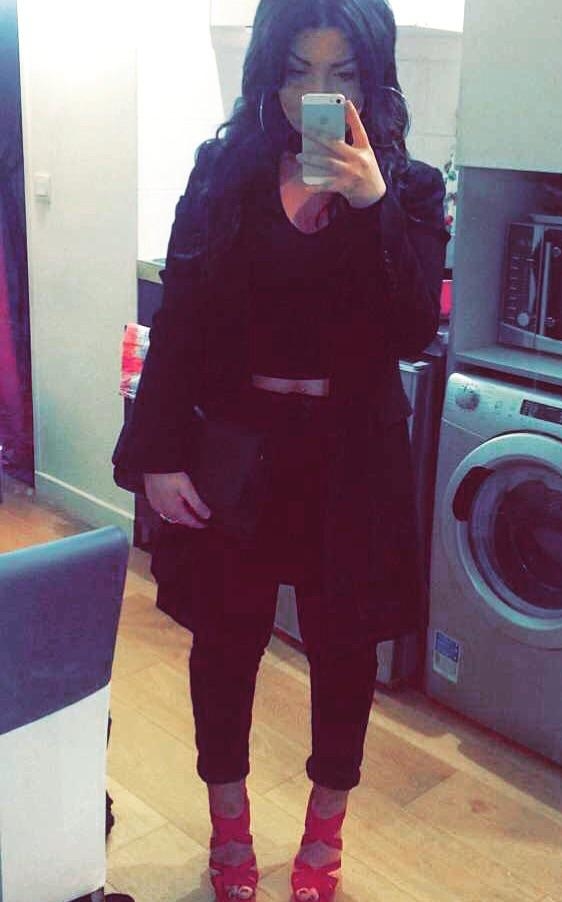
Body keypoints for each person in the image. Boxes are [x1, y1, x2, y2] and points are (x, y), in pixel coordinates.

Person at [113, 0, 448, 898]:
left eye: (342, 73)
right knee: (225, 646)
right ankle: (228, 828)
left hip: (352, 459)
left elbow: (413, 329)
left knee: (345, 654)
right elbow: (181, 317)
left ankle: (323, 836)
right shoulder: (223, 172)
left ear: (374, 77)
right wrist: (159, 452)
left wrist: (372, 206)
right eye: (299, 70)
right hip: (237, 450)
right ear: (269, 71)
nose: (317, 91)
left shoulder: (410, 189)